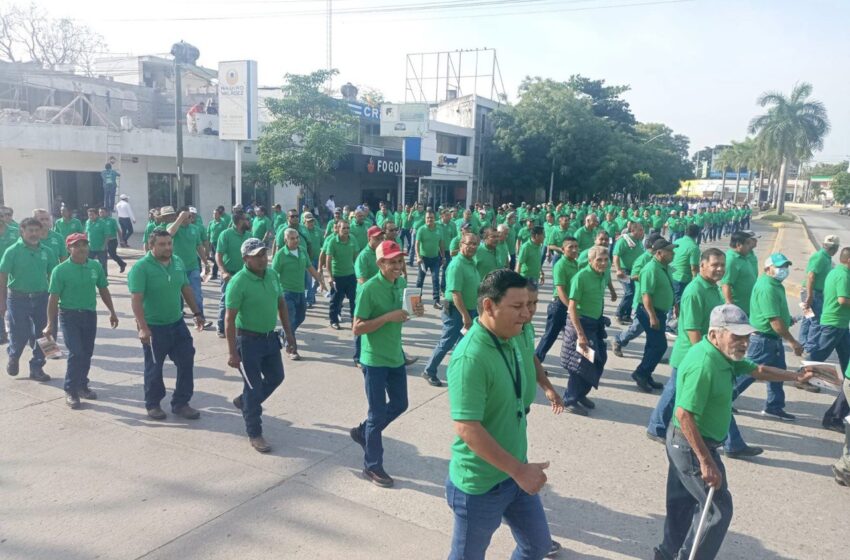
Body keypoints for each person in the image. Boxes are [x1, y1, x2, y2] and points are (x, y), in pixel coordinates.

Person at [655, 304, 818, 560]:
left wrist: (795, 376)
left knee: (682, 506)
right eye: (736, 336)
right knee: (717, 510)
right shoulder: (704, 364)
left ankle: (666, 555)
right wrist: (706, 461)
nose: (744, 342)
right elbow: (684, 415)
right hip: (690, 445)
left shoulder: (725, 356)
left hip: (688, 442)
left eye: (746, 336)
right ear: (715, 334)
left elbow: (758, 371)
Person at [445, 269, 553, 559]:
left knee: (537, 546)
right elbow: (467, 427)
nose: (526, 314)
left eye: (529, 305)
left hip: (515, 471)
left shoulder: (512, 336)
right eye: (516, 307)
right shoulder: (471, 357)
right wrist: (518, 470)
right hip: (480, 485)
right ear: (489, 306)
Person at [350, 240, 424, 487]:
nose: (397, 266)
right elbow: (357, 328)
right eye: (392, 262)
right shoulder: (369, 289)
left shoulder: (401, 283)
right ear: (380, 263)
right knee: (377, 413)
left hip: (394, 356)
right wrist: (388, 317)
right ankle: (372, 466)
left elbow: (401, 317)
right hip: (374, 360)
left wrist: (413, 312)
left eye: (400, 261)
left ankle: (364, 431)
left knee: (401, 403)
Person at [225, 238, 297, 453]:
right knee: (254, 388)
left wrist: (289, 333)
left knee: (276, 377)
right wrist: (232, 353)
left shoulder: (272, 274)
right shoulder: (238, 282)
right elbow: (229, 319)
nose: (262, 259)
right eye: (257, 256)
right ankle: (255, 433)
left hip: (269, 338)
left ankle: (246, 402)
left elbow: (281, 303)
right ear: (246, 258)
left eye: (264, 254)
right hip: (247, 342)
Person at [647, 248, 726, 442]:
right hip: (689, 353)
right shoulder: (694, 291)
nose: (719, 269)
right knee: (674, 392)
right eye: (715, 265)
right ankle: (657, 428)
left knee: (675, 392)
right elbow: (692, 330)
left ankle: (657, 426)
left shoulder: (712, 287)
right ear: (702, 266)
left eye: (722, 265)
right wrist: (704, 357)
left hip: (703, 350)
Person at [128, 228, 206, 420]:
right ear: (152, 246)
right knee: (154, 367)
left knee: (186, 360)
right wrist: (143, 327)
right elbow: (136, 300)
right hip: (154, 327)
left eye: (169, 243)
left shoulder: (177, 262)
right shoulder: (141, 268)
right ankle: (153, 404)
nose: (167, 247)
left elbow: (185, 288)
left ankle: (181, 403)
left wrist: (197, 312)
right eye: (162, 244)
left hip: (177, 323)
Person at [44, 233, 118, 409]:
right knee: (76, 352)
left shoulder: (95, 266)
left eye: (84, 245)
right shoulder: (60, 270)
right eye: (77, 245)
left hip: (89, 315)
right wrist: (49, 323)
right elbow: (53, 298)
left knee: (87, 352)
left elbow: (103, 289)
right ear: (69, 248)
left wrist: (112, 311)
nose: (82, 248)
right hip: (69, 315)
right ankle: (71, 390)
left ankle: (82, 384)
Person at [728, 253, 803, 423]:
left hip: (772, 339)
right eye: (780, 267)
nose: (784, 270)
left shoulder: (775, 284)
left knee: (778, 373)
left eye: (786, 267)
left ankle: (774, 406)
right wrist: (793, 341)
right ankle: (725, 398)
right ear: (768, 268)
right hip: (764, 339)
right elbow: (774, 321)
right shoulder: (767, 287)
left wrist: (789, 319)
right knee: (750, 372)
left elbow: (778, 315)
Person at [0, 217, 58, 381]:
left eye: (36, 230)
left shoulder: (47, 251)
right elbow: (2, 277)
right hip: (18, 299)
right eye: (30, 231)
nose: (34, 234)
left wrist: (56, 299)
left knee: (45, 333)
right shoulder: (12, 251)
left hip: (41, 298)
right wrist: (2, 302)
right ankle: (14, 355)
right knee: (20, 334)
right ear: (22, 231)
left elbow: (53, 276)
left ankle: (37, 366)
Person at [422, 232, 481, 387]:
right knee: (447, 342)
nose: (473, 247)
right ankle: (429, 370)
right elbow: (455, 293)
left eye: (475, 244)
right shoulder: (457, 265)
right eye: (469, 243)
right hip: (457, 311)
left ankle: (459, 373)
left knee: (464, 345)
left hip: (470, 310)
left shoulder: (471, 262)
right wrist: (465, 316)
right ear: (461, 245)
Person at [560, 245, 611, 415]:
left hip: (594, 325)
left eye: (605, 259)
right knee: (581, 363)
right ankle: (569, 399)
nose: (603, 263)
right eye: (599, 260)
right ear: (590, 261)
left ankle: (581, 394)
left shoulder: (602, 276)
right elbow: (572, 308)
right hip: (580, 325)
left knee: (599, 359)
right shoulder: (581, 277)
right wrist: (580, 335)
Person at [810, 247, 850, 432]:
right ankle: (804, 376)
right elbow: (843, 299)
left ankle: (836, 412)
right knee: (819, 353)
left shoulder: (836, 272)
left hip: (840, 323)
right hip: (834, 322)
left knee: (845, 360)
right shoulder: (843, 275)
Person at [272, 228, 325, 360]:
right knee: (289, 321)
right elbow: (273, 275)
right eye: (292, 238)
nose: (295, 240)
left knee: (300, 317)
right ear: (285, 240)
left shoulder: (302, 251)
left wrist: (320, 280)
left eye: (297, 238)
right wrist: (275, 292)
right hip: (286, 293)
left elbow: (309, 267)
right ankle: (291, 349)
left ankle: (283, 333)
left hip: (300, 292)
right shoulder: (280, 255)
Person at [631, 239, 676, 393]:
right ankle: (641, 373)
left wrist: (675, 304)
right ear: (659, 253)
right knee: (660, 345)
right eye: (669, 251)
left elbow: (669, 287)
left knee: (652, 344)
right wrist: (652, 316)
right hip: (649, 311)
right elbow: (646, 295)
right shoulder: (651, 269)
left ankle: (646, 374)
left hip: (660, 312)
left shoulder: (664, 267)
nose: (673, 254)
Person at [534, 236, 579, 364]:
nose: (574, 250)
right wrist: (570, 309)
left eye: (576, 247)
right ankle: (535, 364)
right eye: (571, 247)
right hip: (560, 305)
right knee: (549, 337)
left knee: (574, 336)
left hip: (569, 304)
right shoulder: (560, 265)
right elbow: (560, 290)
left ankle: (576, 364)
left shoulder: (575, 263)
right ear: (563, 249)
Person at [165, 207, 211, 327]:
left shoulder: (195, 229)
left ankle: (201, 319)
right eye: (187, 216)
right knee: (176, 295)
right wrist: (180, 218)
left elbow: (199, 247)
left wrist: (206, 263)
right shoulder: (173, 226)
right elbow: (169, 234)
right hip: (176, 268)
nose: (189, 218)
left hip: (193, 267)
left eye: (190, 216)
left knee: (196, 294)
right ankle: (177, 318)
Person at [800, 235, 840, 353]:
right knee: (816, 321)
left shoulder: (826, 257)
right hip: (812, 292)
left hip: (813, 292)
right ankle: (810, 347)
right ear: (836, 249)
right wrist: (810, 295)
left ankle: (803, 344)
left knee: (808, 319)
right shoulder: (820, 257)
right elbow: (811, 276)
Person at [215, 212, 252, 338]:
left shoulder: (249, 235)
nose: (249, 221)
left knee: (246, 302)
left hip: (245, 274)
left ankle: (241, 327)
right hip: (229, 274)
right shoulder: (226, 234)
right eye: (247, 219)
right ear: (240, 221)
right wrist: (223, 272)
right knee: (226, 301)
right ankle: (221, 326)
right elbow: (218, 255)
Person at [353, 226, 384, 367]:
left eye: (381, 238)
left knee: (386, 327)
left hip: (381, 296)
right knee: (361, 328)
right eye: (377, 238)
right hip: (366, 298)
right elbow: (362, 280)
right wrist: (375, 292)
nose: (380, 241)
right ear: (369, 238)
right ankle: (357, 357)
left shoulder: (382, 253)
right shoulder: (363, 256)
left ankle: (399, 355)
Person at [326, 220, 358, 330]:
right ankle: (333, 321)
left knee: (354, 300)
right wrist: (330, 276)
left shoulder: (353, 239)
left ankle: (354, 321)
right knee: (336, 301)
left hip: (351, 275)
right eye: (343, 228)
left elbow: (356, 257)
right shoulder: (332, 242)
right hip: (338, 276)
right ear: (338, 229)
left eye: (348, 228)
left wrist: (358, 273)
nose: (346, 230)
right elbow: (328, 261)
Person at [612, 221, 645, 324]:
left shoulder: (639, 241)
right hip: (624, 271)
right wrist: (618, 270)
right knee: (629, 292)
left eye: (642, 230)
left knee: (634, 292)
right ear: (633, 230)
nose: (642, 232)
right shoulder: (623, 241)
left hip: (635, 271)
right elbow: (616, 256)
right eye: (640, 230)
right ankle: (618, 314)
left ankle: (627, 315)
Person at [719, 231, 758, 315]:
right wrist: (731, 307)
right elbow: (726, 284)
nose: (749, 246)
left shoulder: (743, 256)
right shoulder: (731, 260)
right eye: (747, 244)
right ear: (738, 245)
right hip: (738, 309)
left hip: (747, 306)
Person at [416, 210, 445, 309]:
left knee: (435, 279)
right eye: (428, 218)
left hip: (435, 258)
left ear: (434, 218)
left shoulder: (439, 229)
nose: (430, 219)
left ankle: (436, 301)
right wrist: (418, 256)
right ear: (425, 219)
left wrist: (443, 257)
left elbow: (441, 244)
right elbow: (417, 244)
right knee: (420, 280)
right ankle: (417, 300)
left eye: (431, 217)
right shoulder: (421, 229)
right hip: (423, 259)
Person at [0, 218, 20, 344]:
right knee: (1, 305)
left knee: (37, 317)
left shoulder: (15, 231)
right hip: (1, 275)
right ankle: (2, 335)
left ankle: (48, 350)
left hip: (16, 276)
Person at [670, 224, 701, 304]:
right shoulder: (694, 247)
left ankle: (670, 315)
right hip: (682, 278)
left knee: (672, 300)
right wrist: (695, 283)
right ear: (697, 234)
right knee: (680, 302)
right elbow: (694, 268)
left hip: (672, 274)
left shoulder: (677, 241)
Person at [100, 208, 127, 273]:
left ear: (107, 213)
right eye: (100, 212)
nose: (101, 214)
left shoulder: (112, 220)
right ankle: (103, 271)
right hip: (102, 241)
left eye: (103, 212)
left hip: (112, 241)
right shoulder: (99, 221)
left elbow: (118, 230)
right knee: (102, 256)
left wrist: (121, 240)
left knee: (112, 255)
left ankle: (122, 264)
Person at [85, 207, 108, 273]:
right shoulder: (87, 222)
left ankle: (104, 278)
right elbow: (86, 233)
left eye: (92, 215)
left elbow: (107, 235)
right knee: (87, 263)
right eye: (89, 215)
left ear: (96, 215)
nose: (90, 216)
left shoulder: (102, 222)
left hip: (101, 248)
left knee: (103, 264)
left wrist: (104, 245)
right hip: (90, 247)